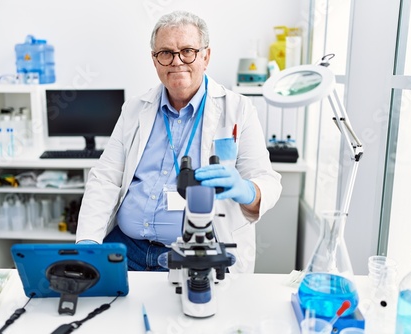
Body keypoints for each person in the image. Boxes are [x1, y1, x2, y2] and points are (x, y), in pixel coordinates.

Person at [76, 10, 282, 273]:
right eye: (165, 53)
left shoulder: (238, 109)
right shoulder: (135, 109)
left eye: (187, 51)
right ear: (154, 59)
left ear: (206, 56)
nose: (177, 61)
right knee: (104, 311)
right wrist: (87, 243)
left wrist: (247, 189)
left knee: (187, 313)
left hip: (195, 256)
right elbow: (105, 178)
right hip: (125, 250)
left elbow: (267, 181)